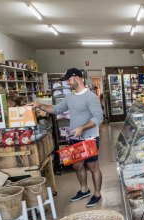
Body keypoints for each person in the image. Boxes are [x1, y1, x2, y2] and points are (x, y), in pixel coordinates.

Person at [31, 68, 104, 207]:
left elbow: (98, 117)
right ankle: (84, 190)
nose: (68, 83)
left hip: (89, 138)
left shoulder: (91, 97)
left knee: (92, 166)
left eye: (69, 80)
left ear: (76, 78)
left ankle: (97, 194)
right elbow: (57, 109)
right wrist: (39, 105)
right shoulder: (70, 97)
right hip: (74, 137)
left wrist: (82, 128)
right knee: (77, 165)